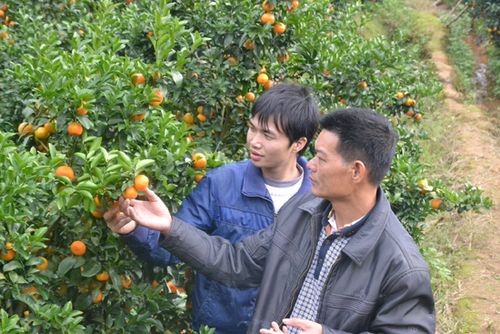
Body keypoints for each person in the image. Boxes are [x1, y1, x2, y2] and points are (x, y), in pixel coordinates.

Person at [106, 108, 435, 333]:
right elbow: (236, 263)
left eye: (321, 158)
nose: (312, 166)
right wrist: (169, 226)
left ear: (356, 171)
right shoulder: (303, 212)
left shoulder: (401, 266)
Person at [105, 83, 320, 334]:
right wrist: (134, 229)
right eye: (252, 129)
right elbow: (172, 247)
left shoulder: (318, 200)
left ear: (298, 143)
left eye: (267, 135)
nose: (254, 141)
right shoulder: (221, 183)